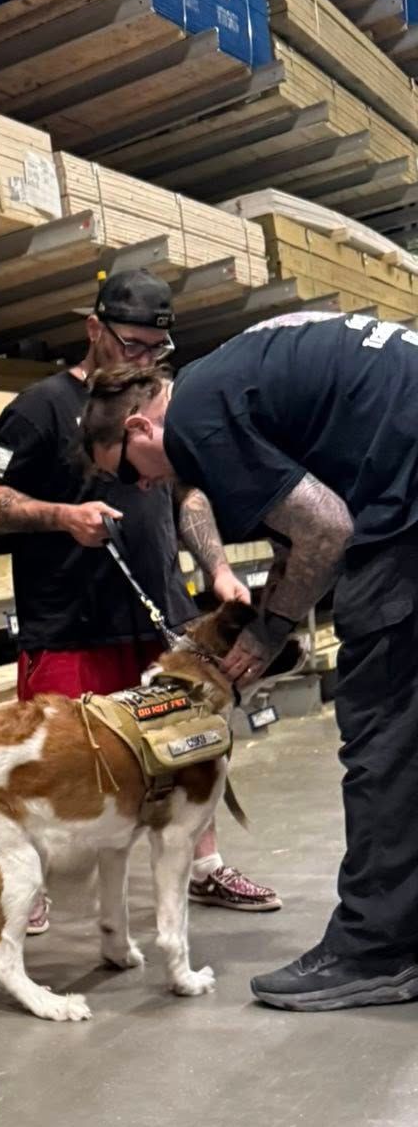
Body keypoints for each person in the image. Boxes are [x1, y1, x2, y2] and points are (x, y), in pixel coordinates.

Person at [80, 309, 418, 1012]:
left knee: (382, 734)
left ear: (140, 427)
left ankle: (376, 950)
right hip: (401, 467)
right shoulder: (223, 378)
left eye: (131, 473)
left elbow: (328, 528)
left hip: (405, 506)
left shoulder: (197, 419)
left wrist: (268, 632)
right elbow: (297, 522)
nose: (143, 488)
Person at [0, 269, 280, 933]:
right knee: (53, 760)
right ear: (94, 329)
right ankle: (27, 882)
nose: (142, 359)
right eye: (131, 344)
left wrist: (217, 567)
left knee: (189, 743)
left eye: (155, 349)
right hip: (69, 622)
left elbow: (186, 494)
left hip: (157, 616)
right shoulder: (37, 408)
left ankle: (204, 866)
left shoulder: (163, 406)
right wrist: (62, 516)